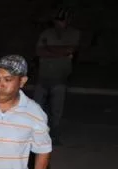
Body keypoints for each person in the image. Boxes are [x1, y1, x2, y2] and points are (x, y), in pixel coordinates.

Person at [33, 8, 79, 145]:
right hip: (43, 77)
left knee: (56, 110)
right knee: (37, 108)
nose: (60, 24)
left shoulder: (74, 34)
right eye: (57, 21)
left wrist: (50, 49)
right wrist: (61, 53)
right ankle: (37, 135)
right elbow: (39, 51)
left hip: (60, 77)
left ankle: (54, 136)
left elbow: (71, 49)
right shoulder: (46, 33)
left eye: (62, 21)